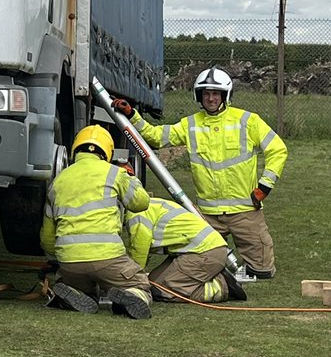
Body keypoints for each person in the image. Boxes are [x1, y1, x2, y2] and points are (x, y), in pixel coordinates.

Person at [112, 66, 288, 279]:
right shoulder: (190, 124)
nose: (211, 98)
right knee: (198, 262)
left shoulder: (247, 121)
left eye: (215, 94)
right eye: (206, 94)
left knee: (262, 271)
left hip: (245, 210)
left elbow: (278, 149)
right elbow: (156, 136)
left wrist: (264, 186)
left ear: (225, 95)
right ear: (199, 96)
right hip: (207, 215)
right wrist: (133, 116)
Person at [40, 124, 154, 319]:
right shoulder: (114, 173)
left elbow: (47, 239)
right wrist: (131, 179)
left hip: (70, 263)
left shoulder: (57, 181)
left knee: (78, 284)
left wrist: (62, 258)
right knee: (138, 283)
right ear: (107, 151)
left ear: (76, 149)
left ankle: (76, 291)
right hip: (108, 258)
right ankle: (132, 295)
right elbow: (141, 203)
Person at [126, 197, 248, 303]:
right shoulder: (151, 204)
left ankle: (221, 287)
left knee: (162, 290)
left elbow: (139, 251)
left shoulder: (137, 215)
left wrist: (130, 279)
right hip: (204, 250)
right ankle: (206, 276)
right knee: (153, 282)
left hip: (205, 253)